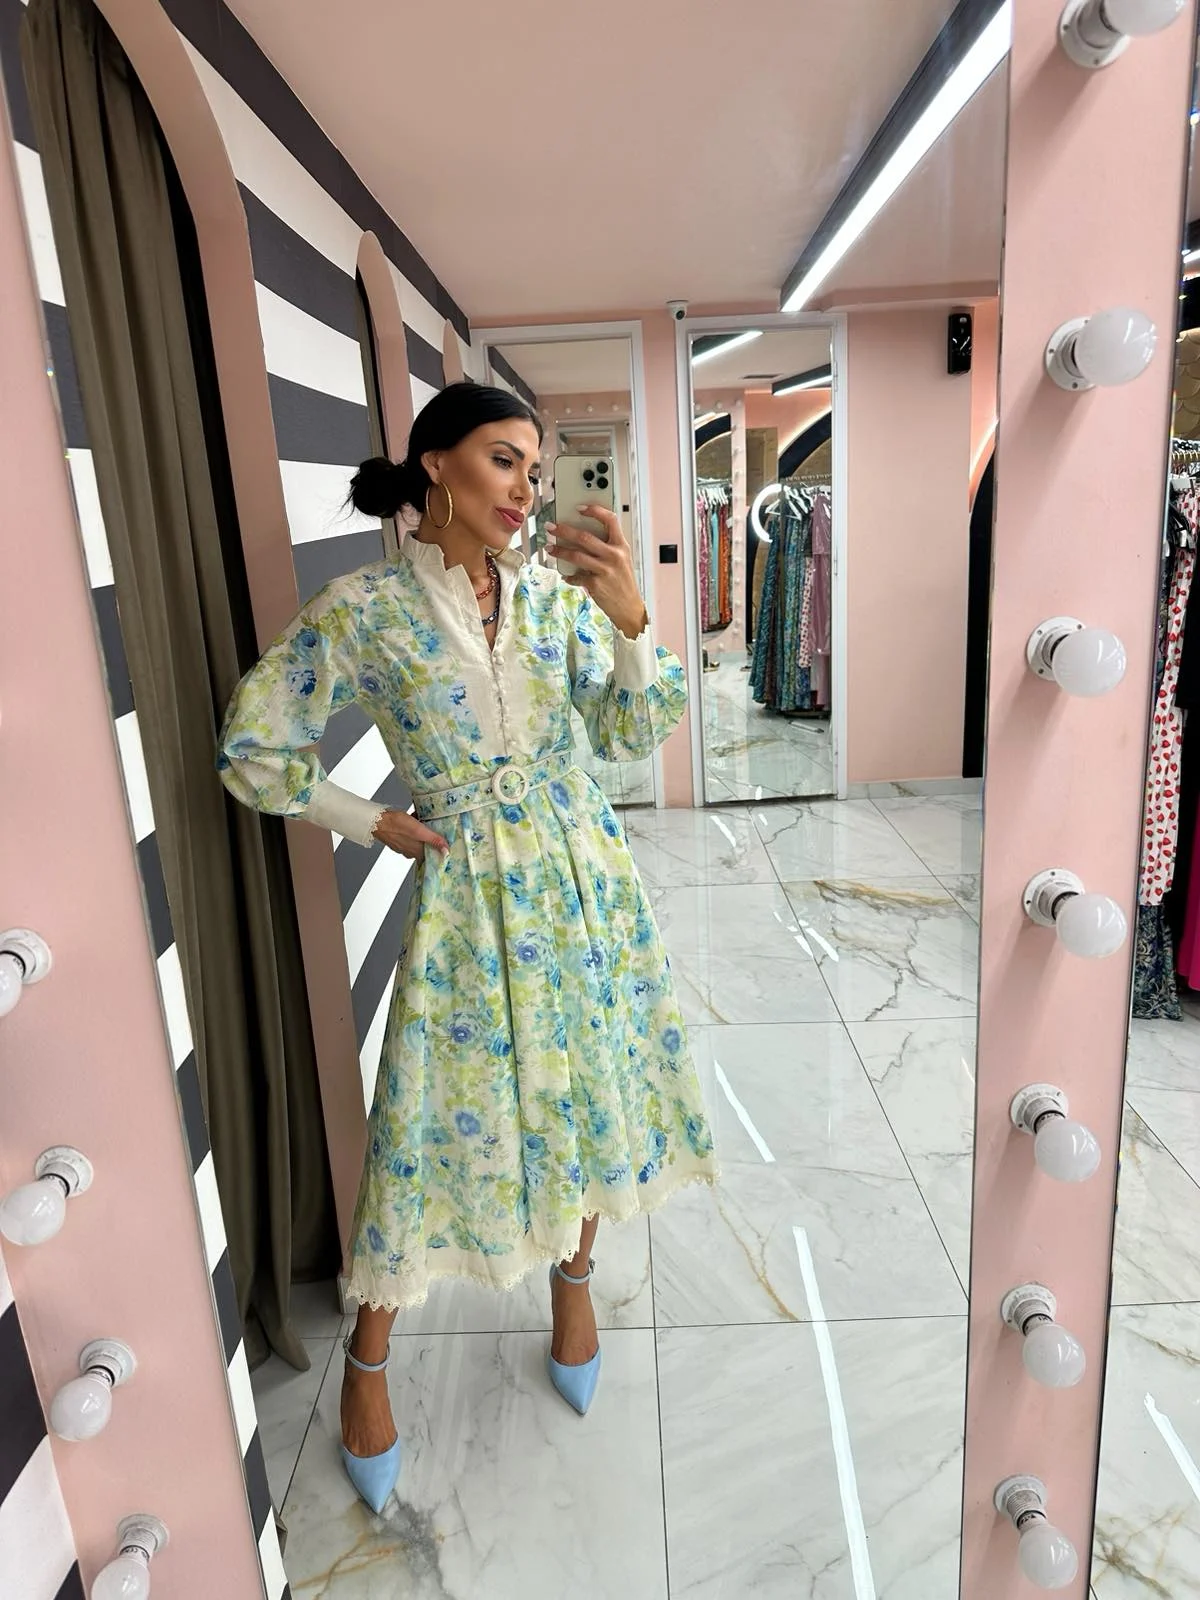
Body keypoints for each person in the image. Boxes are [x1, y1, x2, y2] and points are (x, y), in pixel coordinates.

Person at [217, 381, 718, 1514]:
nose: (527, 489)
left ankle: (575, 1285)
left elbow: (633, 732)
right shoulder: (362, 610)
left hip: (584, 882)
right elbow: (253, 747)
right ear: (435, 464)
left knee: (585, 1083)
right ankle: (369, 1357)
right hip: (465, 900)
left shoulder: (553, 600)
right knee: (430, 1115)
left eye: (535, 469)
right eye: (504, 460)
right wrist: (366, 819)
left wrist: (633, 621)